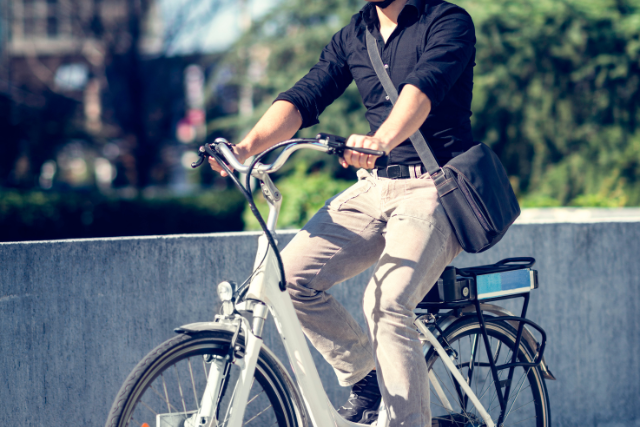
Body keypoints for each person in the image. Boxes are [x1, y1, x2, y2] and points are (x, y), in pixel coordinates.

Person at [209, 0, 476, 425]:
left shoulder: (446, 21)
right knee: (289, 280)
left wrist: (380, 139)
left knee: (386, 302)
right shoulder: (356, 33)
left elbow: (425, 88)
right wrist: (245, 148)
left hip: (434, 187)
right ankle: (365, 376)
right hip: (376, 187)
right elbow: (305, 95)